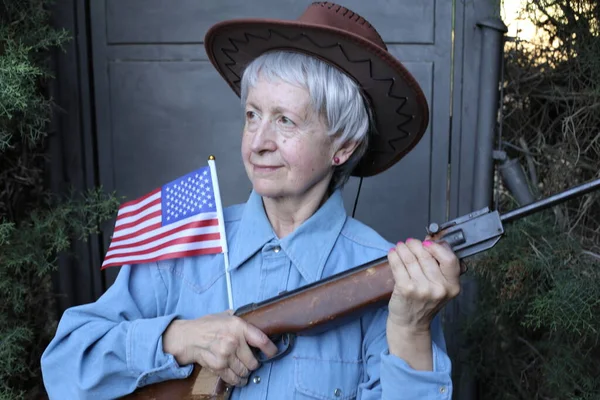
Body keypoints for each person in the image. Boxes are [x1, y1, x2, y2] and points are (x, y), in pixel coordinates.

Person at [41, 2, 462, 399]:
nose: (258, 142)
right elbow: (64, 366)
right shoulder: (186, 243)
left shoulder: (391, 278)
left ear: (344, 148)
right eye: (252, 116)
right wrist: (176, 338)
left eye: (285, 121)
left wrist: (410, 330)